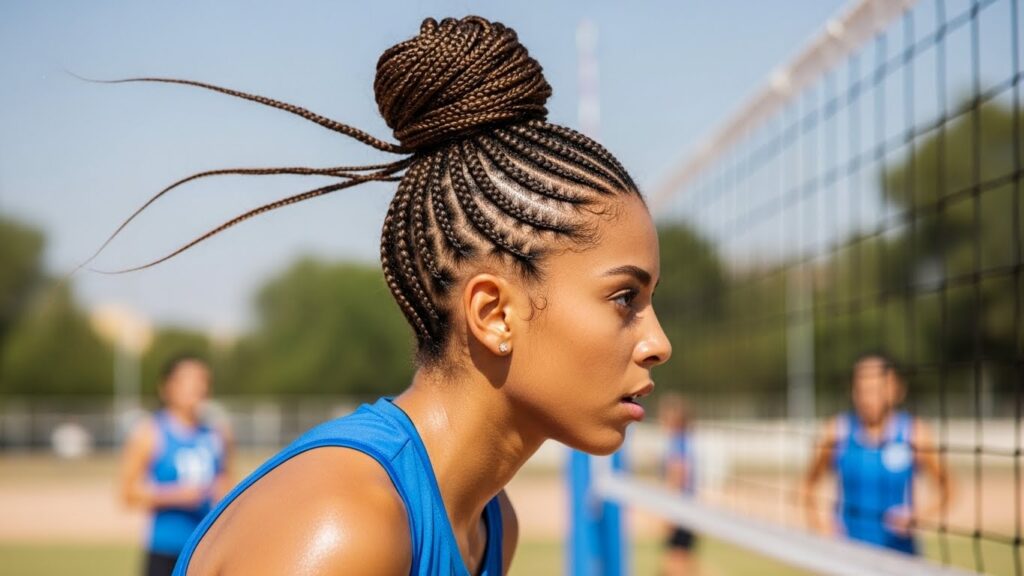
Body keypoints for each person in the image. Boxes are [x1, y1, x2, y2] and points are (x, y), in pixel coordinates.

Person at [95, 16, 671, 575]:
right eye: (625, 298)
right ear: (494, 314)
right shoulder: (346, 526)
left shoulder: (491, 524)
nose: (658, 343)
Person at [802, 352, 951, 555]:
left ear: (896, 389)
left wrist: (918, 517)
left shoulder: (915, 433)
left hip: (900, 555)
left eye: (875, 389)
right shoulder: (836, 431)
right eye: (861, 389)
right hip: (848, 553)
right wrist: (821, 528)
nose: (867, 398)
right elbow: (807, 486)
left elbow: (948, 489)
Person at [119, 354, 233, 576]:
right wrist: (176, 495)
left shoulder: (218, 435)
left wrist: (224, 492)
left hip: (207, 549)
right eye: (187, 380)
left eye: (202, 380)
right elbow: (128, 493)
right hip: (164, 552)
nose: (197, 387)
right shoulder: (150, 433)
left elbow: (227, 482)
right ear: (167, 387)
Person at [660, 393, 698, 576]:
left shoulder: (678, 442)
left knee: (676, 565)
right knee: (680, 562)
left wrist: (670, 512)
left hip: (681, 511)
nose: (662, 419)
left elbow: (678, 476)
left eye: (666, 415)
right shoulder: (684, 440)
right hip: (688, 509)